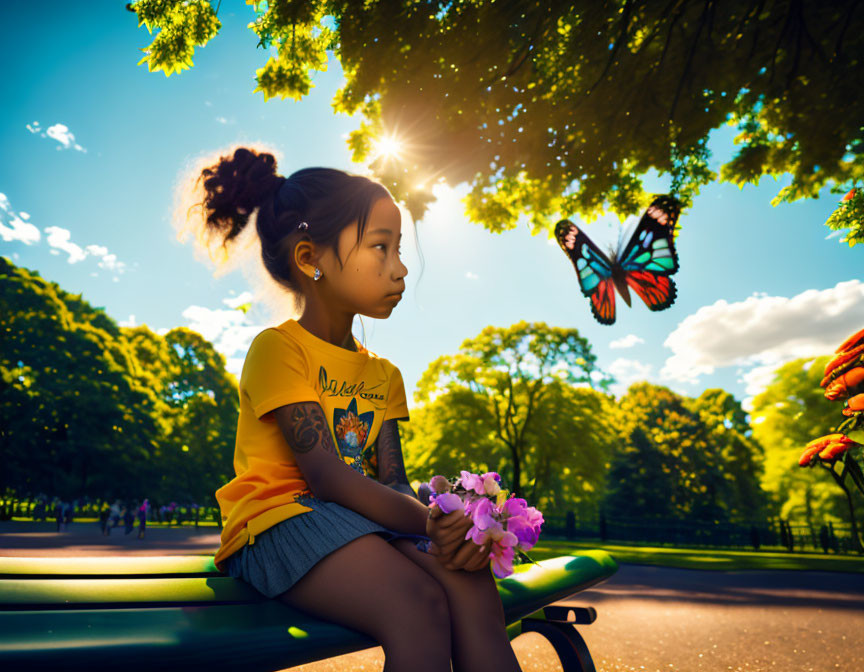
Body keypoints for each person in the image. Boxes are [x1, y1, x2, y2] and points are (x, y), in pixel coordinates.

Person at [179, 147, 521, 672]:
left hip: (356, 521)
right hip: (276, 524)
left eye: (399, 248)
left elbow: (392, 481)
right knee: (417, 606)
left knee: (471, 585)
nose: (401, 269)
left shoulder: (384, 375)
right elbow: (328, 478)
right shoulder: (279, 349)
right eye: (380, 248)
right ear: (310, 258)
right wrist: (432, 524)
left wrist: (456, 527)